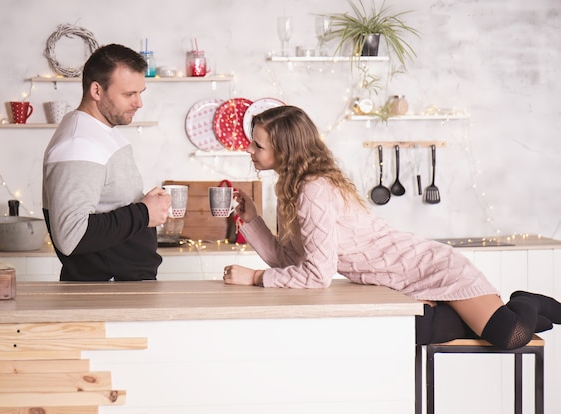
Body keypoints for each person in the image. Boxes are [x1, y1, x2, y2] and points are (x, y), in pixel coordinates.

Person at [222, 105, 561, 350]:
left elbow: (317, 275)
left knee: (510, 336)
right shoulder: (295, 188)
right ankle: (493, 313)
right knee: (430, 330)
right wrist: (252, 220)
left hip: (429, 267)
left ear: (283, 149)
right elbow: (291, 263)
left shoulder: (314, 189)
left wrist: (255, 278)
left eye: (257, 144)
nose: (249, 150)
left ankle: (527, 300)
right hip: (402, 283)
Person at [42, 43, 171, 281]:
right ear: (97, 91)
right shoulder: (78, 144)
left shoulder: (99, 132)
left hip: (122, 289)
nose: (139, 103)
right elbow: (72, 236)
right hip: (106, 293)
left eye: (140, 92)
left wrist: (145, 206)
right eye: (129, 94)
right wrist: (143, 212)